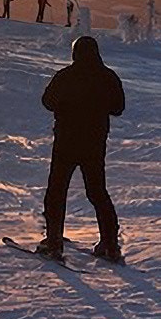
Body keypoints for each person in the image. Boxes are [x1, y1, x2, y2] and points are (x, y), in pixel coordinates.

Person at [37, 35, 125, 262]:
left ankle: (54, 242)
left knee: (57, 190)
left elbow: (47, 101)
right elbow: (118, 108)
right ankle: (110, 243)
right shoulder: (108, 77)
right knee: (97, 191)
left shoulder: (65, 76)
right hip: (95, 144)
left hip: (66, 141)